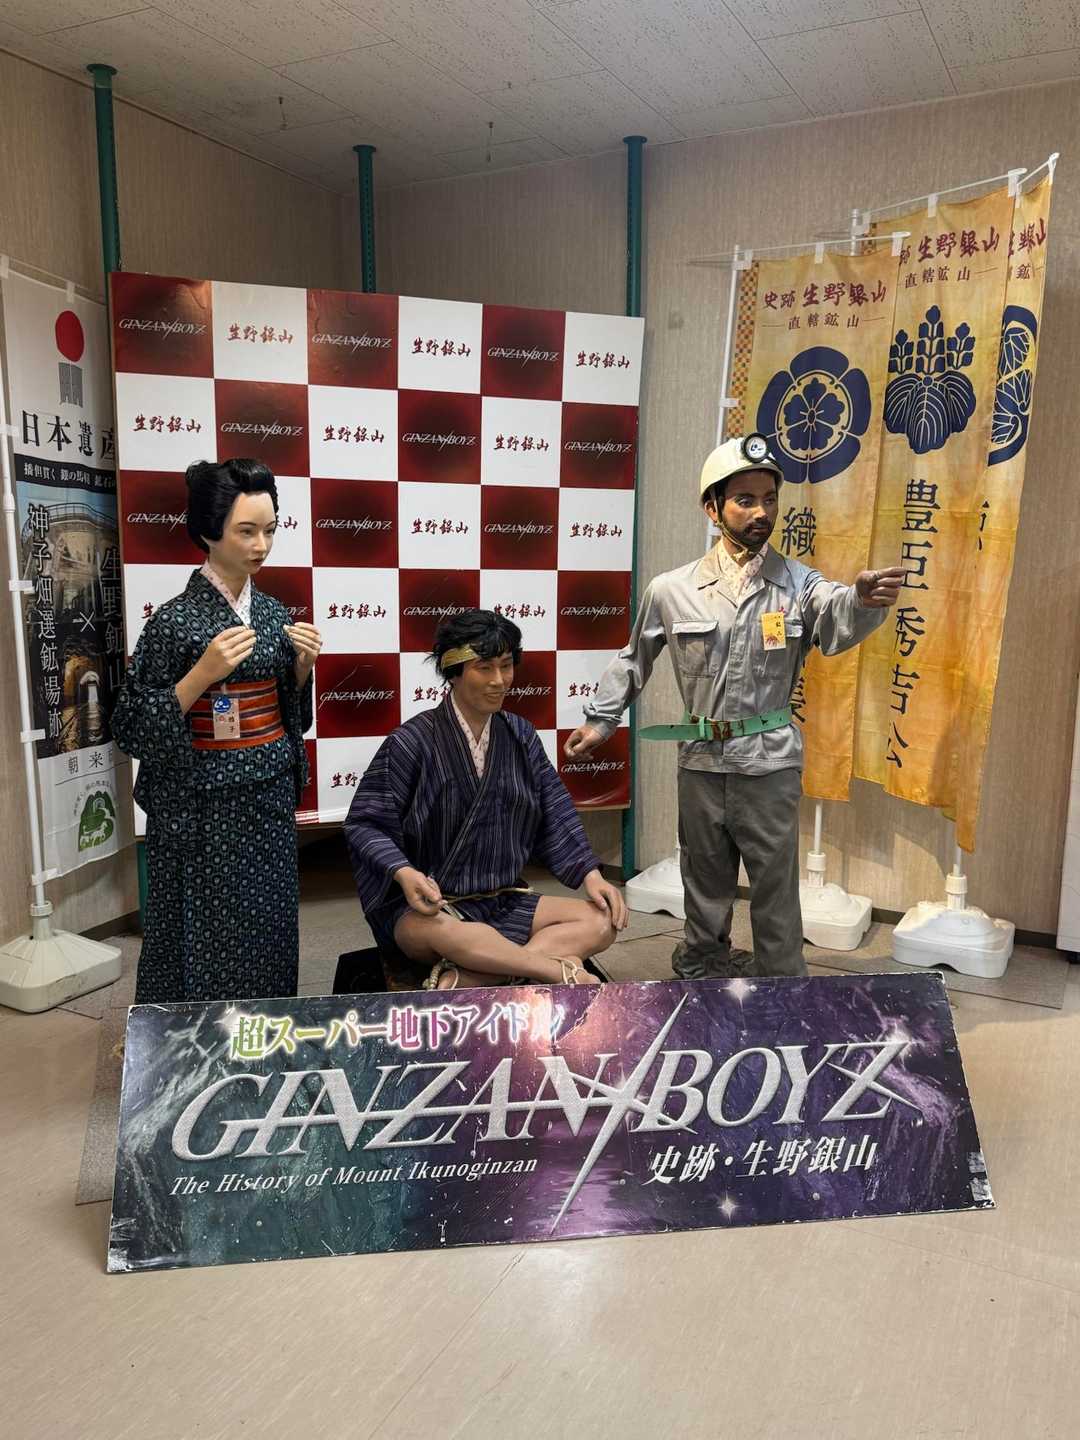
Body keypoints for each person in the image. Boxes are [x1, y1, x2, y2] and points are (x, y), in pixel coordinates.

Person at [564, 433, 904, 981]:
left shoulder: (798, 584)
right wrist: (601, 720)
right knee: (704, 878)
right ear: (713, 507)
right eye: (745, 500)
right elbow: (634, 659)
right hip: (700, 760)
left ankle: (782, 981)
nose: (761, 512)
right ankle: (702, 966)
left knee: (774, 885)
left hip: (769, 763)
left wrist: (861, 600)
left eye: (769, 499)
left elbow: (836, 615)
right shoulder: (671, 589)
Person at [111, 457, 322, 1003]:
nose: (261, 545)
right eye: (246, 531)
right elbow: (130, 725)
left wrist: (301, 672)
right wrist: (199, 676)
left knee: (269, 919)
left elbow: (292, 716)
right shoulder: (174, 621)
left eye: (269, 530)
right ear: (208, 531)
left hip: (268, 795)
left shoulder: (273, 614)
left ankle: (266, 1026)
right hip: (201, 804)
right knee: (202, 924)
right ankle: (190, 1040)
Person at [345, 610, 628, 990]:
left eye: (506, 666)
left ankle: (475, 975)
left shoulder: (520, 735)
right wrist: (404, 873)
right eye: (484, 668)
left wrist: (591, 875)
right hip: (431, 908)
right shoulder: (411, 742)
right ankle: (554, 970)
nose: (499, 680)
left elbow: (554, 810)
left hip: (503, 899)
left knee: (602, 920)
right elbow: (366, 824)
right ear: (453, 672)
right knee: (453, 935)